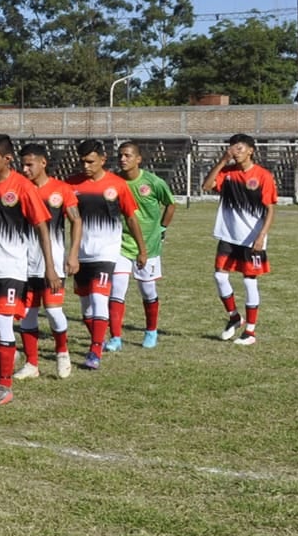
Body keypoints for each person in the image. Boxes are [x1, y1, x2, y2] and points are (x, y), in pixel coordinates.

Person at [0, 134, 57, 407]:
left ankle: (4, 385)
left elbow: (41, 226)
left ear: (7, 159)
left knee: (3, 322)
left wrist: (49, 267)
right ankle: (8, 353)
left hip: (11, 270)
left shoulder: (23, 187)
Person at [66, 139, 146, 371]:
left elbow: (131, 217)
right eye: (82, 162)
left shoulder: (117, 185)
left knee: (99, 299)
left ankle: (95, 352)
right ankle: (99, 339)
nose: (86, 166)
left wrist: (142, 249)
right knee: (86, 310)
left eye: (91, 161)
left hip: (106, 254)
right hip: (80, 253)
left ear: (103, 159)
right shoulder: (71, 184)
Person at [16, 144, 83, 380]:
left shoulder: (61, 190)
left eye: (29, 164)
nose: (24, 169)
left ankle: (62, 353)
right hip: (23, 264)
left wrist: (73, 254)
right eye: (22, 164)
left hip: (51, 263)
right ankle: (31, 364)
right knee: (27, 314)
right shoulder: (19, 190)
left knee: (54, 311)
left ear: (43, 163)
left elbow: (76, 220)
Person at [201, 133, 276, 345]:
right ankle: (234, 317)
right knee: (219, 276)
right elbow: (206, 186)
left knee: (249, 280)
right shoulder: (227, 173)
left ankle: (250, 332)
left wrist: (261, 237)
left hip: (252, 239)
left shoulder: (263, 176)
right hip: (228, 236)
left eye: (240, 148)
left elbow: (270, 209)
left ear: (251, 150)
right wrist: (223, 161)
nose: (235, 151)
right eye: (232, 148)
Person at [116, 141, 178, 350]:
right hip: (122, 244)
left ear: (138, 159)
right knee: (117, 289)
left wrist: (161, 228)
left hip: (149, 246)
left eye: (127, 155)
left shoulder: (152, 182)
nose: (123, 159)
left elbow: (170, 204)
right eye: (120, 156)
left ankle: (151, 331)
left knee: (148, 291)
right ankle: (115, 337)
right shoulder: (115, 182)